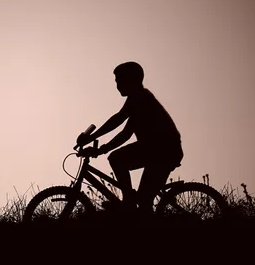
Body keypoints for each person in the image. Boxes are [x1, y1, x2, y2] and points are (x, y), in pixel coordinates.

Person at [77, 61, 183, 215]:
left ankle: (128, 201)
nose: (117, 86)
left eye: (119, 81)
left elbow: (124, 132)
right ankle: (131, 204)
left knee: (116, 159)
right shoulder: (137, 97)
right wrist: (94, 139)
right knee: (144, 202)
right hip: (157, 149)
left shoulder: (142, 99)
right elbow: (118, 119)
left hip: (163, 150)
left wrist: (100, 148)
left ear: (131, 80)